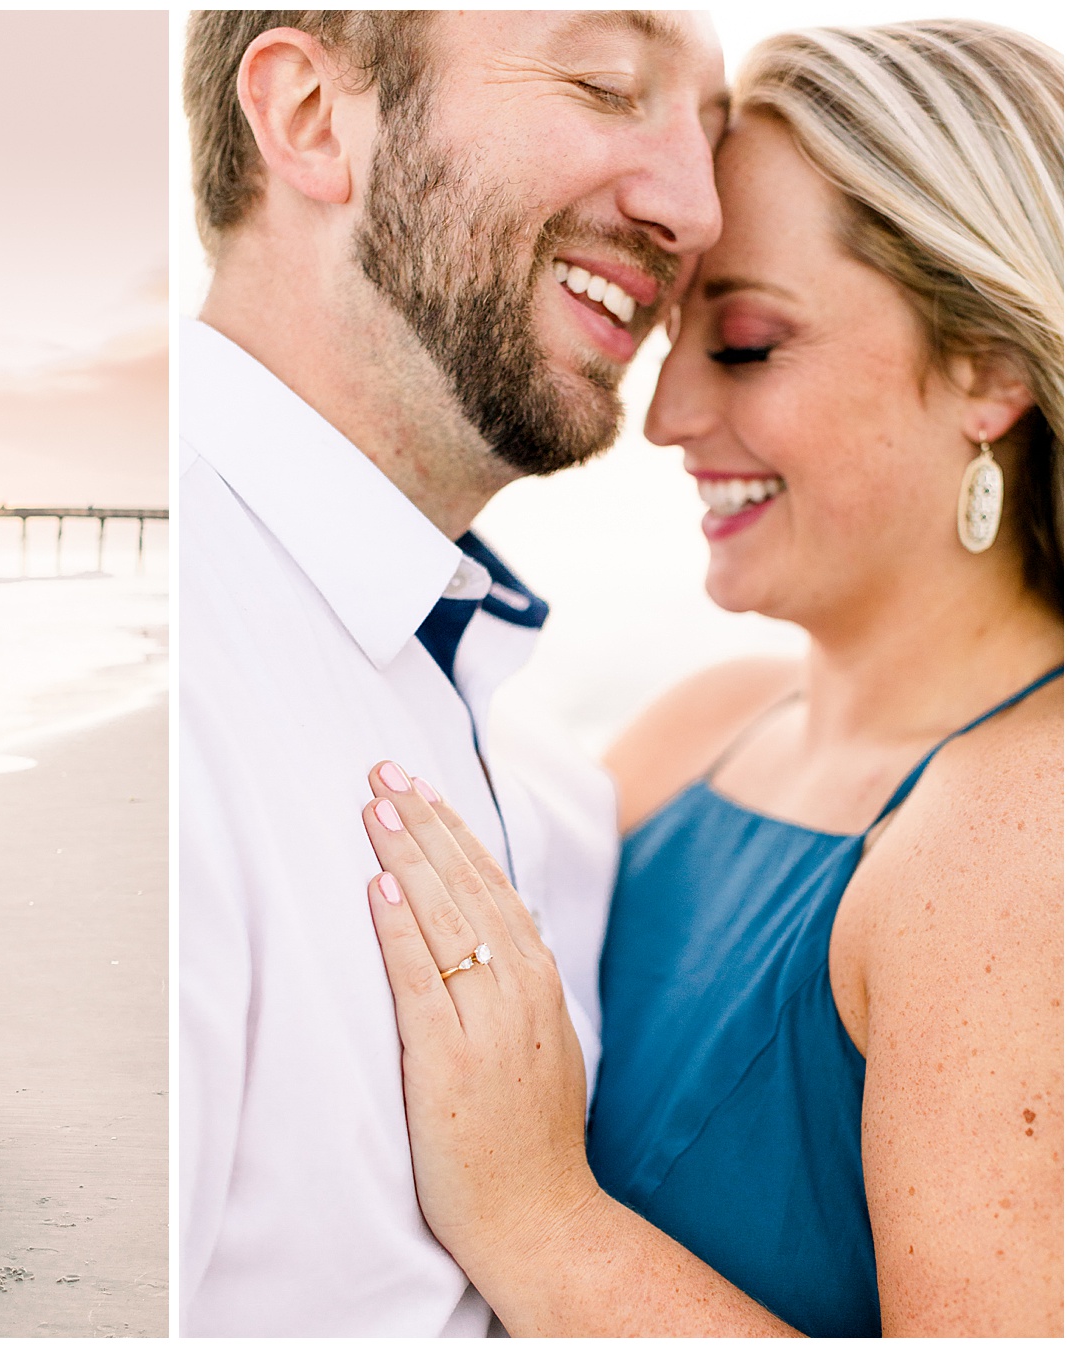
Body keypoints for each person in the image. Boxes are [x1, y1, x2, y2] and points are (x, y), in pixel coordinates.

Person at [358, 20, 1062, 1336]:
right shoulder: (703, 727)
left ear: (992, 371)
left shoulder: (1021, 840)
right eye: (675, 335)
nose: (667, 411)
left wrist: (538, 1220)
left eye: (742, 344)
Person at [179, 10, 728, 1335]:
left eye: (711, 138)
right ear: (314, 120)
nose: (699, 210)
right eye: (608, 84)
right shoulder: (191, 689)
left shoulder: (517, 742)